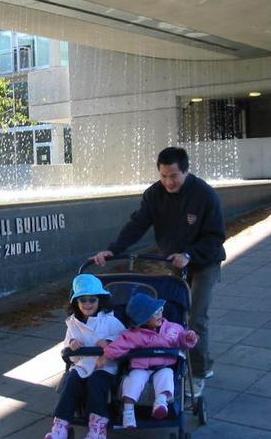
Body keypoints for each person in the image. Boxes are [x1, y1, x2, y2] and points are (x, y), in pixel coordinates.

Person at [92, 146, 225, 397]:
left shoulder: (204, 195)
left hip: (204, 262)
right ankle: (171, 364)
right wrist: (113, 249)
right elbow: (137, 224)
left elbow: (216, 237)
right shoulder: (154, 195)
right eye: (163, 176)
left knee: (196, 318)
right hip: (172, 262)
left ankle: (198, 372)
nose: (168, 181)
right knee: (171, 316)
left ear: (185, 171)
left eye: (173, 175)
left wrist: (189, 255)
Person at [96, 293, 198, 428]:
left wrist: (188, 337)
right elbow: (119, 345)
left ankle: (161, 403)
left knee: (167, 376)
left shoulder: (172, 329)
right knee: (133, 381)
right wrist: (106, 355)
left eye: (160, 310)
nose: (160, 314)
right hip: (141, 368)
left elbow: (181, 339)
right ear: (142, 320)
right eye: (155, 313)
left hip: (163, 366)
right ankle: (128, 411)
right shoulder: (134, 335)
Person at [45, 274, 126, 439]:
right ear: (76, 302)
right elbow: (67, 349)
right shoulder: (73, 324)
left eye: (92, 300)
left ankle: (97, 428)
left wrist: (109, 342)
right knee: (70, 380)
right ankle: (61, 425)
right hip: (82, 365)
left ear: (100, 300)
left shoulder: (109, 321)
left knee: (97, 383)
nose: (88, 304)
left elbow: (124, 339)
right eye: (83, 300)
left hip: (105, 365)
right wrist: (72, 343)